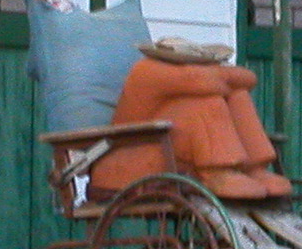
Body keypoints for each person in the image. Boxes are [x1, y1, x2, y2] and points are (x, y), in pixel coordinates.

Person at [90, 38, 291, 199]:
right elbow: (204, 81)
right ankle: (217, 173)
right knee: (207, 104)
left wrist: (224, 78)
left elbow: (247, 78)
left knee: (238, 97)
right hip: (135, 153)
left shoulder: (190, 75)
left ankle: (254, 168)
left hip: (170, 152)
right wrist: (221, 74)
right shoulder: (148, 71)